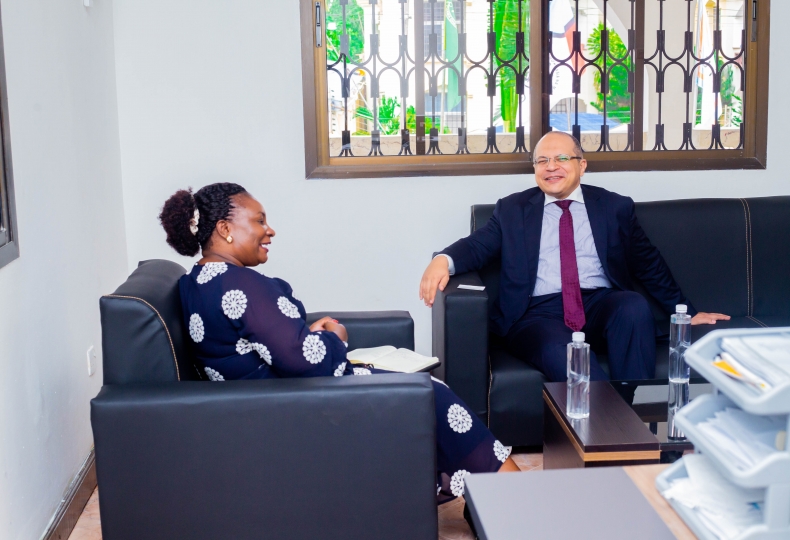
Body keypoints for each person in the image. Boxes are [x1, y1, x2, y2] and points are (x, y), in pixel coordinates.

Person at [159, 182, 519, 508]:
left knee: (420, 389)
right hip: (295, 411)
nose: (270, 230)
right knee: (431, 393)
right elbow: (306, 361)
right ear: (225, 229)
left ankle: (489, 499)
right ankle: (515, 502)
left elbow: (252, 345)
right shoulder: (240, 284)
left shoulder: (197, 282)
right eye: (259, 221)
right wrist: (335, 336)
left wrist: (305, 332)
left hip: (261, 408)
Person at [420, 132, 730, 383]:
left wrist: (686, 312)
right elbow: (478, 246)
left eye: (561, 158)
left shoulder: (614, 207)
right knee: (565, 353)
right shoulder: (513, 209)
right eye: (542, 161)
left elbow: (647, 263)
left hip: (598, 304)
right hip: (536, 314)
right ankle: (614, 427)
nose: (551, 167)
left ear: (582, 165)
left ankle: (619, 418)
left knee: (633, 306)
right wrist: (443, 260)